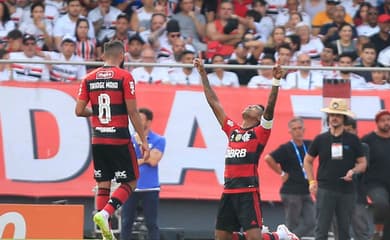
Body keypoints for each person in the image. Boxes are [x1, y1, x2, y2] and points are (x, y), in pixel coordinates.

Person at [193, 58, 299, 240]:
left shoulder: (260, 132)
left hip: (247, 191)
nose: (250, 106)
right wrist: (203, 73)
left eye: (255, 108)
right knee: (222, 237)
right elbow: (214, 103)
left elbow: (270, 108)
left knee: (255, 239)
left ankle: (280, 236)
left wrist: (275, 81)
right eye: (250, 105)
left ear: (259, 118)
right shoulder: (232, 130)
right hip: (228, 190)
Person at [75, 40, 150, 240]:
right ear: (122, 56)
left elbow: (79, 111)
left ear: (103, 56)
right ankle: (106, 213)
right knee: (132, 180)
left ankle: (105, 233)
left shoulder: (88, 78)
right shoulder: (125, 76)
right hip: (118, 137)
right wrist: (144, 140)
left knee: (103, 184)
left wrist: (97, 112)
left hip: (98, 138)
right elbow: (133, 111)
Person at [303, 98, 367, 240]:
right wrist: (311, 182)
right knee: (321, 230)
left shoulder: (353, 139)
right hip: (325, 189)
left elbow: (362, 163)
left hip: (347, 190)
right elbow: (307, 161)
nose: (334, 118)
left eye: (338, 115)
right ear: (328, 118)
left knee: (344, 231)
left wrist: (353, 171)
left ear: (344, 118)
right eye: (332, 115)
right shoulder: (320, 139)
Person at [264, 117, 315, 239]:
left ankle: (287, 237)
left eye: (300, 128)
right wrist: (281, 173)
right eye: (294, 129)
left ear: (304, 129)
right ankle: (285, 237)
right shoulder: (286, 148)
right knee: (292, 225)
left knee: (311, 222)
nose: (298, 131)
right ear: (290, 132)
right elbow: (268, 158)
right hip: (291, 192)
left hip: (306, 191)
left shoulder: (308, 145)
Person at [120, 107, 166, 240]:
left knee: (151, 224)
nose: (137, 122)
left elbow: (153, 161)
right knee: (126, 222)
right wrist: (143, 159)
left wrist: (141, 143)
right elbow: (126, 162)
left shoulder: (159, 139)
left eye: (141, 119)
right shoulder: (128, 139)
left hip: (150, 187)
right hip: (131, 187)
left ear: (149, 122)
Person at [362, 109, 390, 240]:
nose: (386, 123)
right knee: (381, 203)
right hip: (374, 183)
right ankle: (377, 231)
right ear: (377, 123)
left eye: (388, 120)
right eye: (383, 120)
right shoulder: (368, 140)